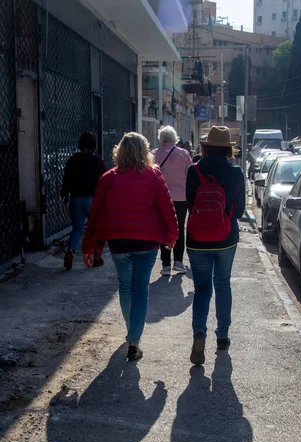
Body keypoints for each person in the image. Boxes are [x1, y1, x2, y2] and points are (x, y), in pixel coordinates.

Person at [82, 132, 178, 361]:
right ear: (145, 152)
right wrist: (172, 237)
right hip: (147, 241)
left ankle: (131, 330)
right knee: (140, 289)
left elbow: (95, 214)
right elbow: (168, 208)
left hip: (119, 242)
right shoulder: (154, 176)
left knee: (125, 287)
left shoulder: (108, 178)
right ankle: (134, 339)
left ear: (120, 152)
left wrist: (89, 246)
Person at [186, 126, 245, 366]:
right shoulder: (236, 172)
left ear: (206, 146)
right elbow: (239, 211)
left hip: (197, 240)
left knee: (201, 289)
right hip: (226, 238)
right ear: (228, 148)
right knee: (222, 284)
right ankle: (222, 336)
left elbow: (190, 205)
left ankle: (199, 333)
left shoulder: (194, 170)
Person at [61, 132, 106, 270]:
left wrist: (64, 195)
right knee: (97, 229)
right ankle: (97, 257)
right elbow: (104, 180)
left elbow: (66, 179)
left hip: (75, 198)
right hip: (92, 200)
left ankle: (70, 252)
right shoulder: (97, 161)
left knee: (77, 229)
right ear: (94, 145)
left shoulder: (72, 159)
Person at [153, 126, 192, 276]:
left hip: (161, 198)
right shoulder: (184, 154)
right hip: (181, 198)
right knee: (179, 228)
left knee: (164, 229)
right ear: (174, 138)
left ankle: (166, 264)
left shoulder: (155, 154)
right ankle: (178, 262)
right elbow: (190, 175)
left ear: (161, 138)